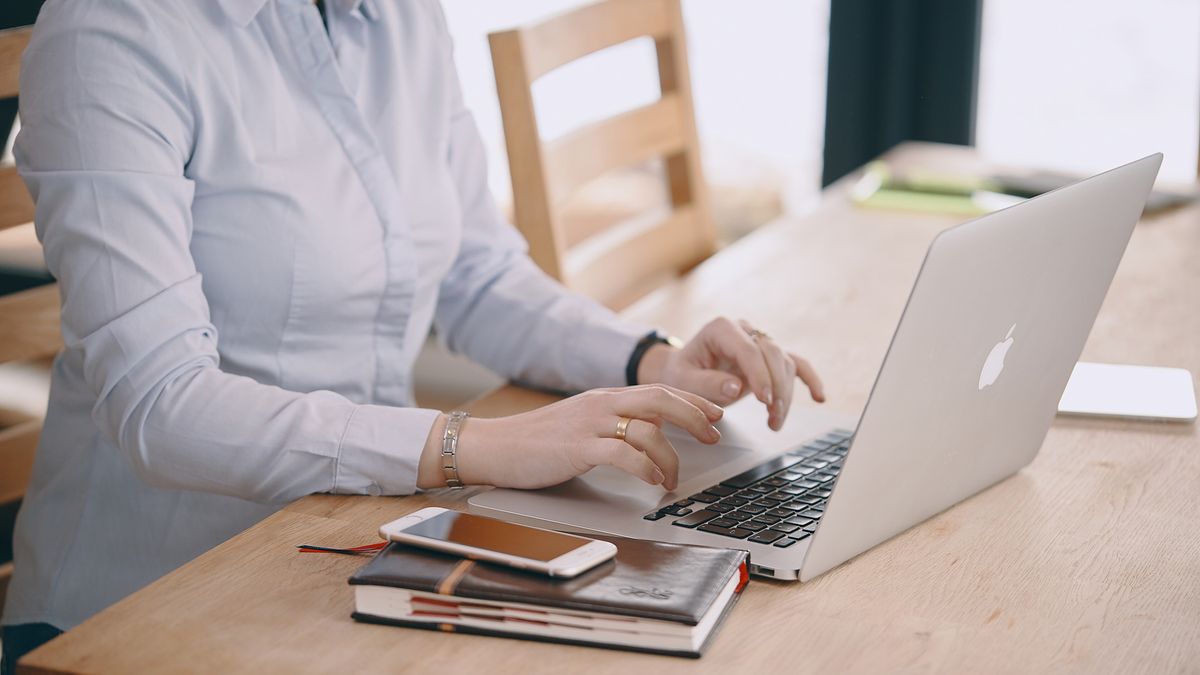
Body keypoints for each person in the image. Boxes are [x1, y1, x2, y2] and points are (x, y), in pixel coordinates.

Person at [0, 1, 824, 670]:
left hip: (358, 548)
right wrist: (472, 445)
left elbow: (476, 271)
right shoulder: (114, 33)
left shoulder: (403, 17)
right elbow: (160, 404)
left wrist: (652, 359)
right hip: (139, 609)